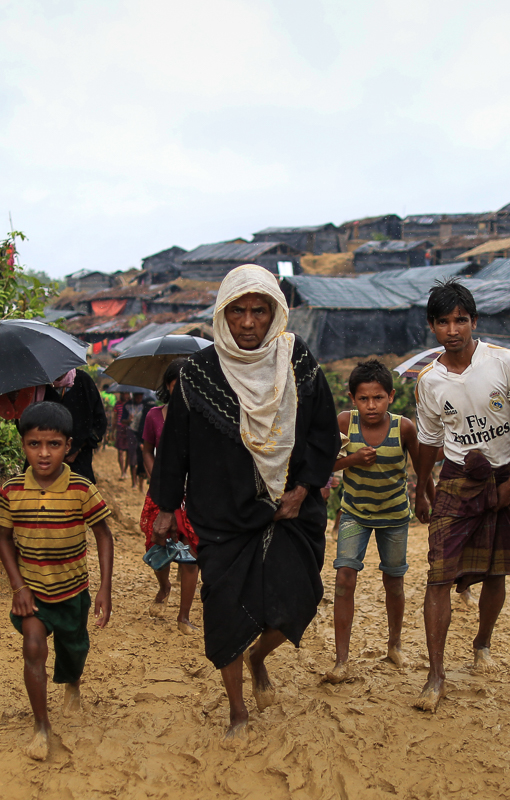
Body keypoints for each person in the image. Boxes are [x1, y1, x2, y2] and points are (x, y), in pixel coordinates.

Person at [150, 264, 339, 739]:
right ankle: (237, 709)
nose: (249, 322)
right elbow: (176, 446)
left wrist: (301, 488)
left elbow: (321, 430)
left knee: (300, 599)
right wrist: (167, 507)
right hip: (222, 515)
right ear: (223, 314)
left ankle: (260, 657)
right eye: (238, 311)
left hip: (292, 508)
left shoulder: (297, 361)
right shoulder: (197, 374)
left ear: (276, 312)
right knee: (226, 612)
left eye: (260, 310)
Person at [412, 279, 510, 712]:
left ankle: (482, 641)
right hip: (455, 477)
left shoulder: (504, 363)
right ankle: (435, 675)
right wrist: (423, 487)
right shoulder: (429, 382)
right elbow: (429, 441)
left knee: (497, 569)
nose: (454, 329)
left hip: (503, 474)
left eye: (461, 319)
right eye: (444, 321)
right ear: (432, 327)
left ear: (474, 321)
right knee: (439, 574)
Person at [0, 401, 114, 761]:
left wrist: (104, 587)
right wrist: (19, 587)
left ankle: (72, 681)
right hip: (33, 591)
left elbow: (104, 535)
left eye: (53, 445)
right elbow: (2, 538)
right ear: (23, 444)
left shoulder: (80, 488)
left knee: (74, 650)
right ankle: (41, 726)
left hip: (72, 591)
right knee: (32, 647)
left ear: (68, 446)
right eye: (34, 444)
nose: (43, 454)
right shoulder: (12, 491)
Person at [323, 358, 419, 684]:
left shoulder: (404, 427)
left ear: (391, 396)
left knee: (394, 581)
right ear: (352, 399)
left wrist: (427, 502)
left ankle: (394, 645)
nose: (371, 405)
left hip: (394, 515)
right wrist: (352, 459)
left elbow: (419, 467)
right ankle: (341, 660)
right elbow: (326, 465)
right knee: (344, 578)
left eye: (378, 397)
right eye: (363, 398)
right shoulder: (343, 422)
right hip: (354, 513)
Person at [139, 358, 200, 635]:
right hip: (162, 493)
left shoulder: (203, 417)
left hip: (194, 495)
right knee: (157, 542)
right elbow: (147, 449)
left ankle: (183, 616)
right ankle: (164, 585)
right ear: (167, 386)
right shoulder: (154, 416)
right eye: (177, 385)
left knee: (191, 552)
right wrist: (158, 482)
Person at [44, 368, 107, 484]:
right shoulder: (40, 385)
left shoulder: (83, 381)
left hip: (78, 463)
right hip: (44, 463)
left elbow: (99, 421)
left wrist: (77, 448)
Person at [123, 391, 150, 491]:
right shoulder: (128, 406)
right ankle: (134, 482)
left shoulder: (146, 407)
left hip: (144, 436)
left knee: (143, 459)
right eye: (137, 397)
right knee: (133, 457)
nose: (139, 399)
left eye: (140, 397)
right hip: (132, 433)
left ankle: (142, 482)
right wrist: (129, 420)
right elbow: (123, 421)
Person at [113, 391, 131, 479]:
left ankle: (126, 470)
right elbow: (115, 417)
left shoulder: (131, 404)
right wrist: (112, 430)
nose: (125, 395)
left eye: (126, 393)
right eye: (123, 393)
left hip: (129, 429)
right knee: (120, 451)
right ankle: (122, 471)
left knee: (128, 451)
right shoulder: (118, 404)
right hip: (120, 428)